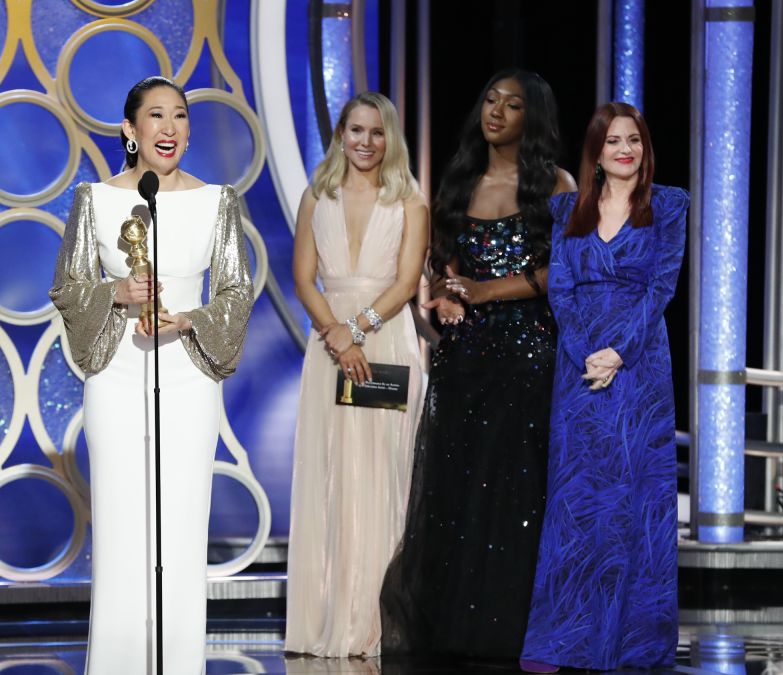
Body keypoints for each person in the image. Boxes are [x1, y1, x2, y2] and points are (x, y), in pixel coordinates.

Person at [49, 76, 253, 674]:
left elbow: (238, 292)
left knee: (182, 528)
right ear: (129, 131)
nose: (170, 128)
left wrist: (188, 320)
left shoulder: (218, 200)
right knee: (121, 529)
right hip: (117, 377)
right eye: (156, 116)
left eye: (181, 116)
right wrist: (116, 291)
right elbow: (67, 288)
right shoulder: (96, 199)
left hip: (189, 380)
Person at [379, 69, 575, 663]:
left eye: (512, 105)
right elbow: (444, 267)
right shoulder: (462, 180)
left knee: (517, 494)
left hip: (529, 355)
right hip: (465, 357)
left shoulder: (557, 185)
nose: (496, 112)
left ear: (531, 119)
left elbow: (558, 272)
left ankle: (517, 627)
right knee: (458, 490)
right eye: (490, 99)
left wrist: (484, 293)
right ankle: (458, 625)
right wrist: (442, 294)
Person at [519, 102, 688, 672]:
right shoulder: (567, 208)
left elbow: (662, 288)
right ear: (596, 151)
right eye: (613, 140)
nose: (625, 149)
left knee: (634, 501)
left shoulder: (667, 205)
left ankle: (632, 643)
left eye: (634, 140)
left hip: (639, 368)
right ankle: (565, 639)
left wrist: (619, 352)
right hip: (579, 366)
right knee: (578, 500)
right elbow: (560, 289)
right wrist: (586, 352)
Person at [285, 91, 428, 658]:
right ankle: (327, 618)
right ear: (340, 133)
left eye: (377, 132)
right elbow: (302, 278)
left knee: (382, 477)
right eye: (356, 130)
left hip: (386, 342)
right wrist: (336, 335)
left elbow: (407, 280)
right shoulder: (316, 195)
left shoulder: (409, 200)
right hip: (330, 351)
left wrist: (358, 329)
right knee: (332, 476)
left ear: (389, 138)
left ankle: (377, 622)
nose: (366, 142)